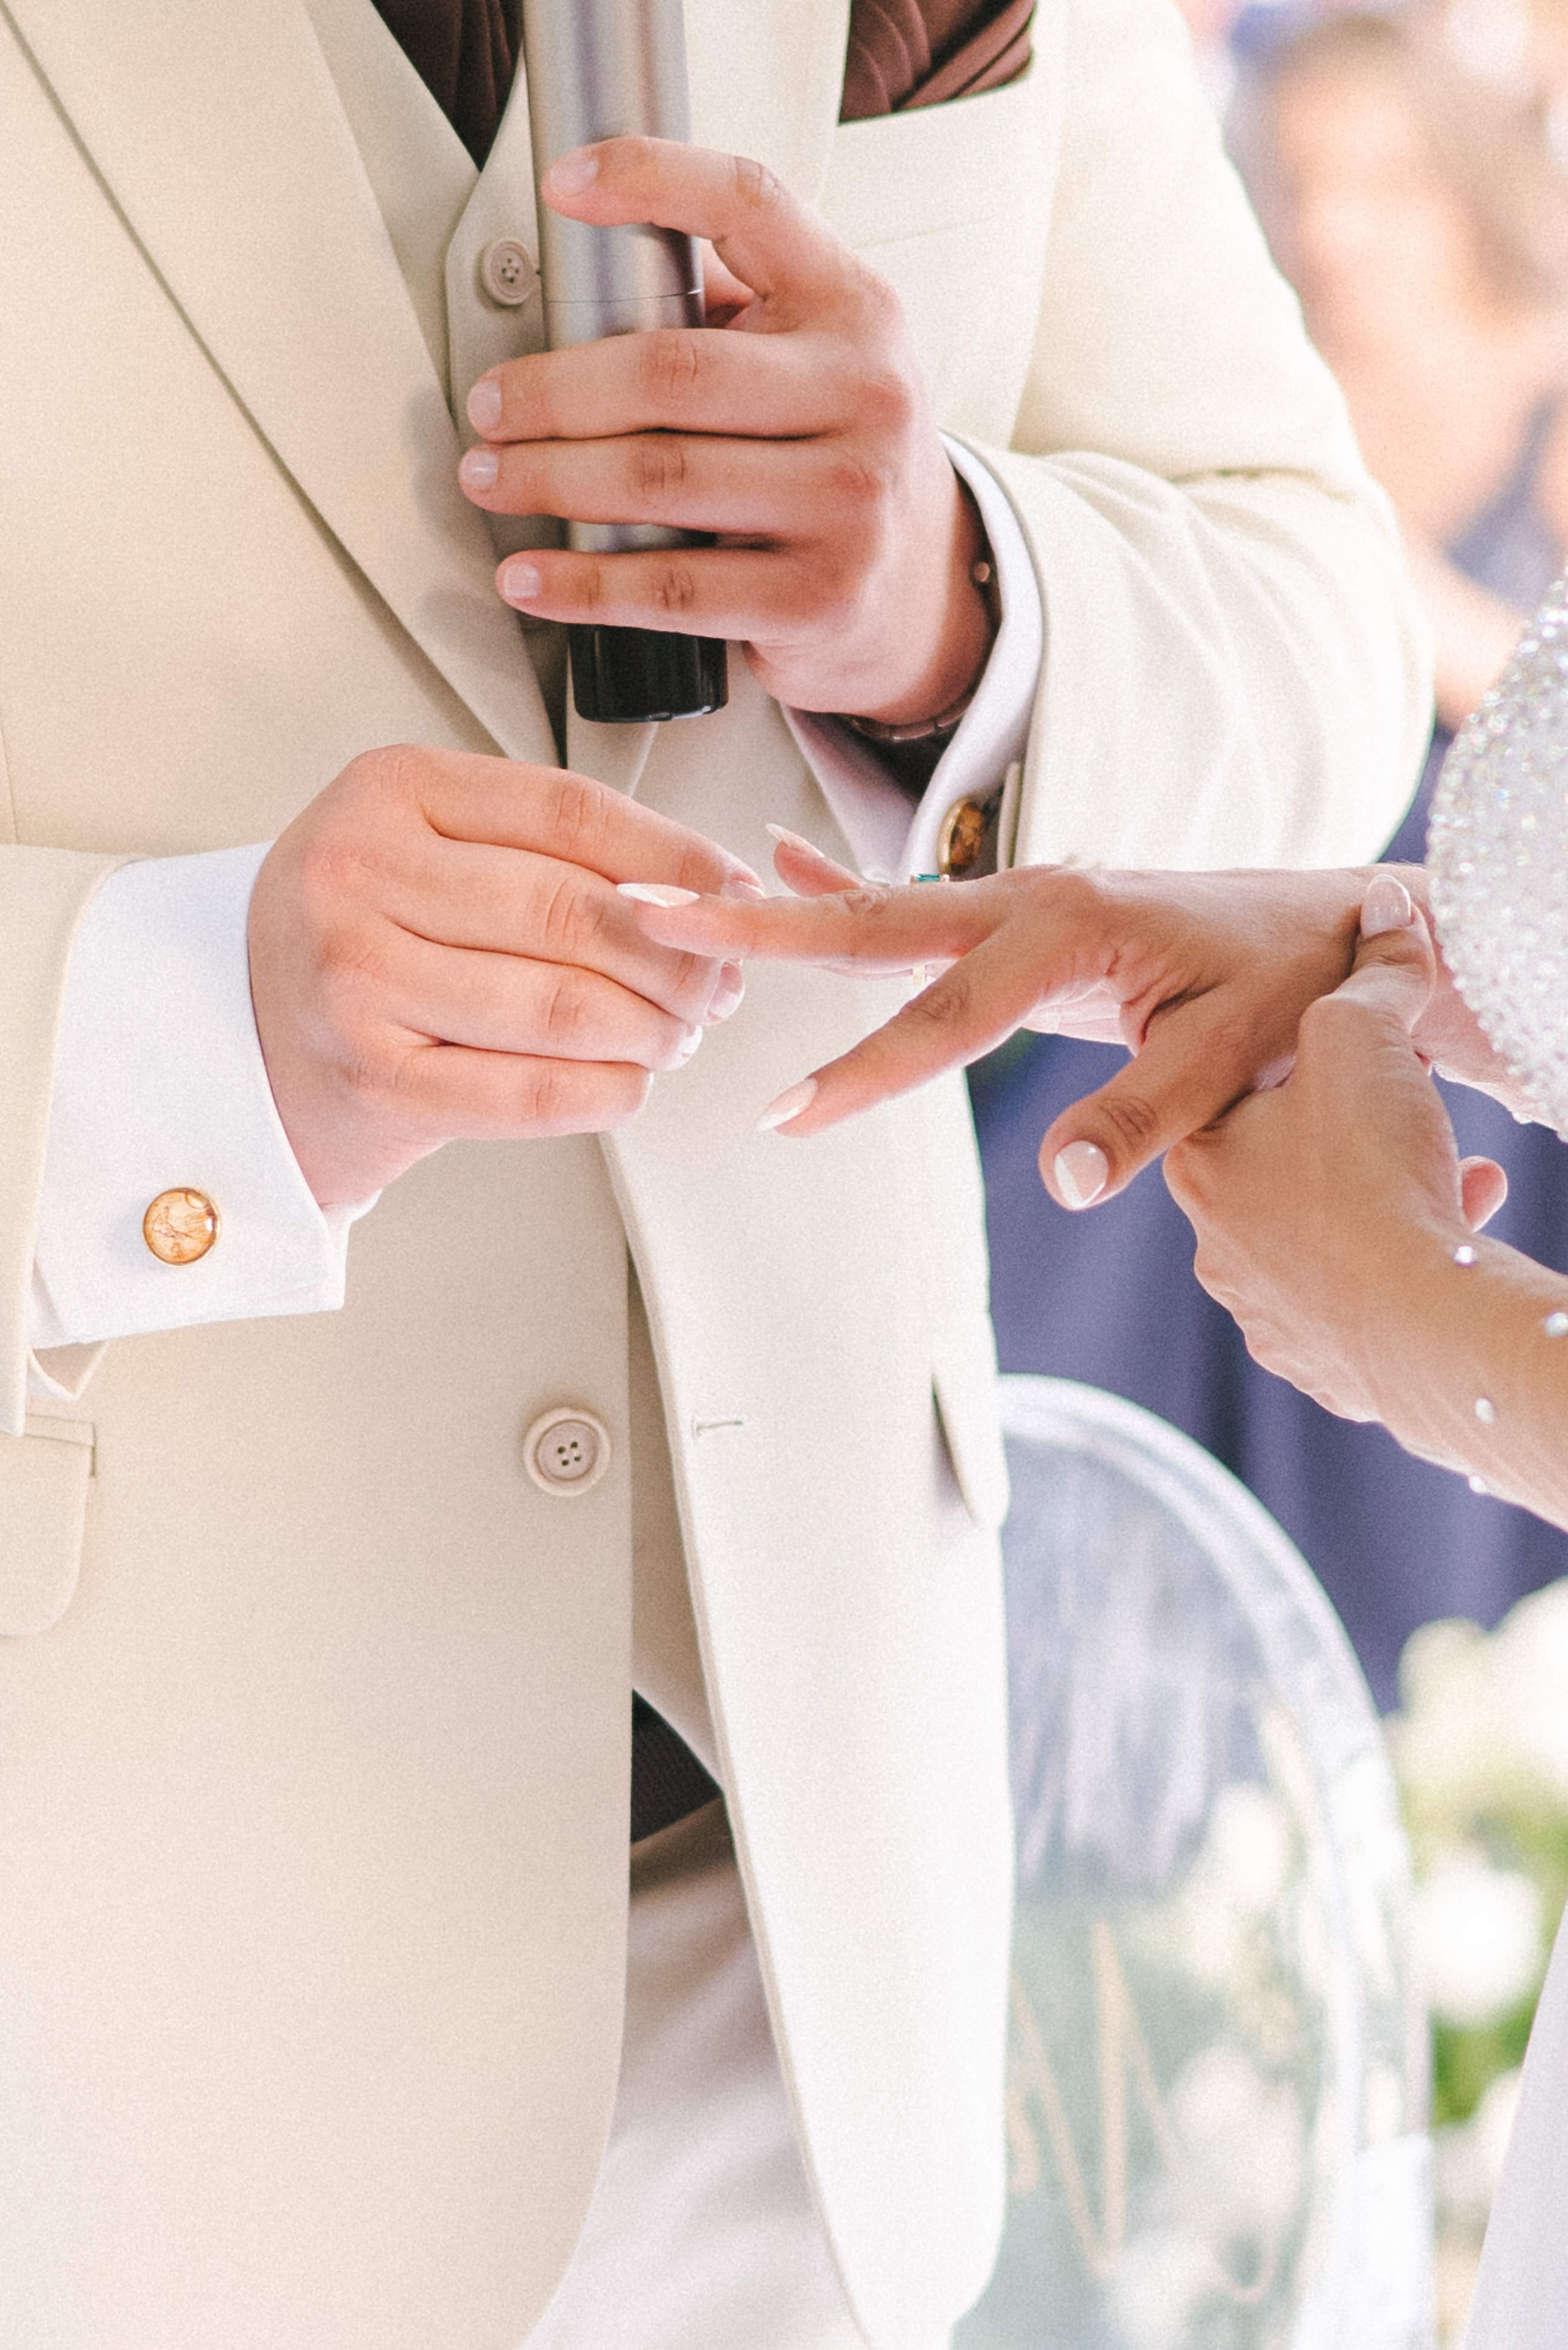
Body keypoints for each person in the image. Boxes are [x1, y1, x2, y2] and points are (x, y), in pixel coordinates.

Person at [0, 1, 1426, 2343]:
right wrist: (166, 1040)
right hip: (113, 2007)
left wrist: (957, 599)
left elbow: (1317, 639)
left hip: (808, 1970)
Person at [967, 8, 1568, 1707]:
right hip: (1352, 891)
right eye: (1310, 182)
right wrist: (1377, 938)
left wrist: (1399, 1305)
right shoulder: (1252, 373)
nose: (1342, 225)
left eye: (1387, 183)